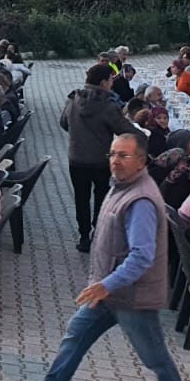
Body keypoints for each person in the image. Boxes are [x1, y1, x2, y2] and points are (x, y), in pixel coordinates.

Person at [12, 133, 190, 381]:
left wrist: (106, 284)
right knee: (76, 335)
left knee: (155, 358)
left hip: (132, 296)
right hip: (109, 292)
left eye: (124, 156)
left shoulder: (141, 200)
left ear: (142, 161)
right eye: (112, 154)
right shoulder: (123, 187)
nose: (115, 161)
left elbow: (142, 256)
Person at [61, 63, 137, 253]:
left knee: (81, 197)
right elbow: (124, 129)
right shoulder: (108, 105)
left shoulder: (73, 99)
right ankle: (98, 233)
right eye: (111, 79)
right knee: (101, 197)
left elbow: (63, 122)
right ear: (103, 82)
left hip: (76, 158)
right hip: (101, 161)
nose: (112, 83)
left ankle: (84, 236)